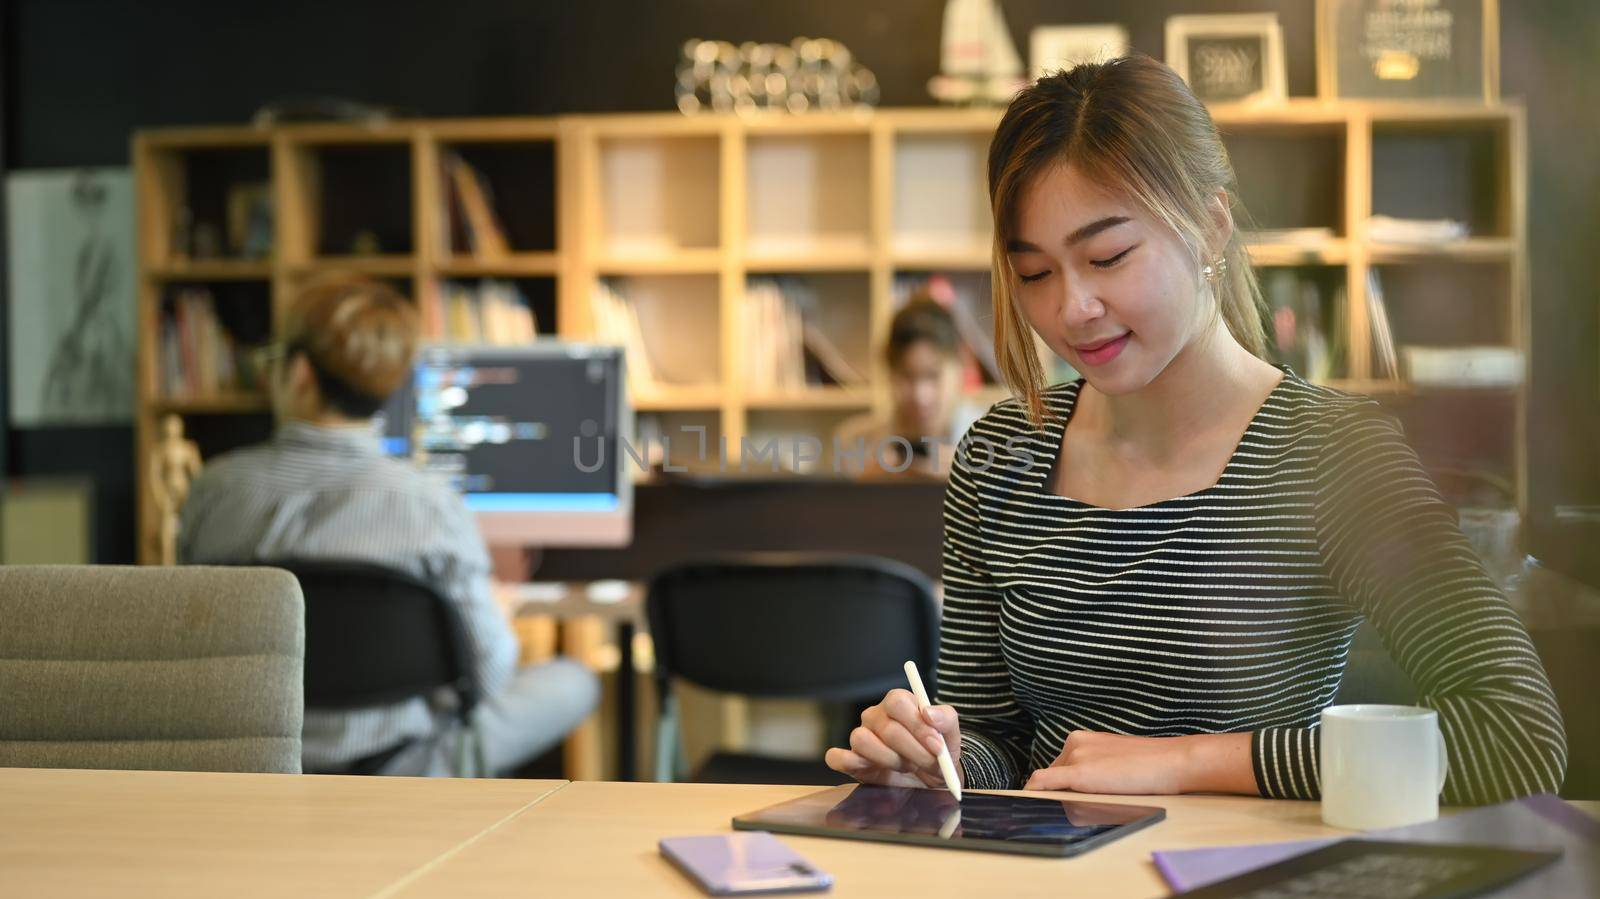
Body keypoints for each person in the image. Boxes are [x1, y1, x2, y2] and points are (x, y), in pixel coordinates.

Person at [824, 56, 1566, 804]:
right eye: (1035, 274)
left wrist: (1186, 762)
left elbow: (1517, 735)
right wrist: (935, 760)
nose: (1071, 308)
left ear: (1210, 227)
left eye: (1108, 256)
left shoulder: (1330, 453)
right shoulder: (998, 456)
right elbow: (1001, 745)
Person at [179, 275, 598, 776]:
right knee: (575, 681)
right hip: (400, 767)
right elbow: (489, 674)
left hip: (255, 758)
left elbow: (193, 645)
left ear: (300, 374)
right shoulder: (432, 505)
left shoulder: (215, 490)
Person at [834, 298, 977, 479]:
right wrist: (866, 488)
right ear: (890, 372)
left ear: (960, 367)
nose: (920, 396)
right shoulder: (855, 443)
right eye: (907, 376)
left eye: (933, 375)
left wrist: (968, 483)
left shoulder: (996, 444)